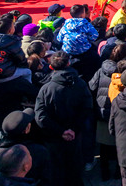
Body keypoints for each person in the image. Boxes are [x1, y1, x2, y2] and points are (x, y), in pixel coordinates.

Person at [34, 50, 93, 186]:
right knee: (74, 170)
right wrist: (72, 130)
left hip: (54, 138)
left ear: (51, 66)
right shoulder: (80, 84)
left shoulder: (46, 89)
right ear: (68, 63)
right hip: (74, 136)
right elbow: (87, 108)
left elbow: (41, 117)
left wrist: (61, 131)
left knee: (57, 172)